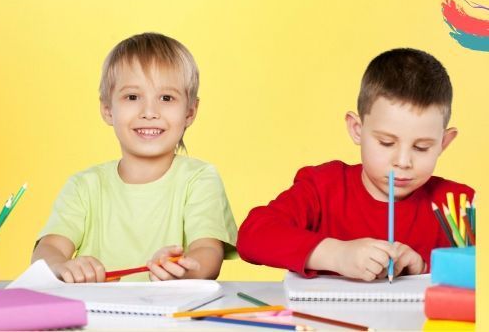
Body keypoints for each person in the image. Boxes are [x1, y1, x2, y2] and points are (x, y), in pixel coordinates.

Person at [237, 48, 474, 280]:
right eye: (386, 142)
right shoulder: (323, 187)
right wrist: (336, 254)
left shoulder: (458, 205)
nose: (403, 162)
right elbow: (252, 236)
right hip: (327, 319)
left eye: (421, 147)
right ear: (357, 130)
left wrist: (424, 266)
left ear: (444, 143)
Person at [33, 32, 236, 282]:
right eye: (132, 97)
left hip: (169, 316)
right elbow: (48, 250)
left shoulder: (200, 179)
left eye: (166, 98)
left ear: (190, 112)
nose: (149, 112)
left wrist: (184, 269)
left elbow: (208, 252)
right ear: (108, 110)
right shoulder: (84, 186)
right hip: (96, 317)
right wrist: (62, 267)